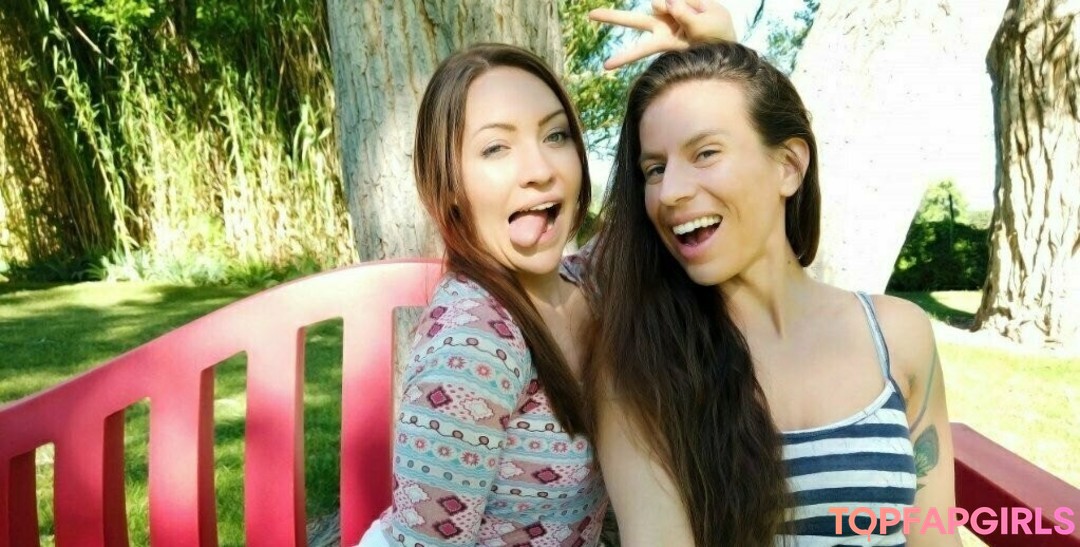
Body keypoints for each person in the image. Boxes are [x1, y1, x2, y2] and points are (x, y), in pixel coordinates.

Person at [356, 4, 738, 546]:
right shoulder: (471, 346)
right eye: (496, 148)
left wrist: (714, 56)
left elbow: (674, 199)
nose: (539, 170)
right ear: (449, 186)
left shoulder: (586, 284)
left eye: (556, 136)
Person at [586, 41, 961, 546]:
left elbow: (936, 536)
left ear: (788, 166)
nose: (670, 192)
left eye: (705, 153)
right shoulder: (642, 365)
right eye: (654, 169)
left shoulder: (897, 335)